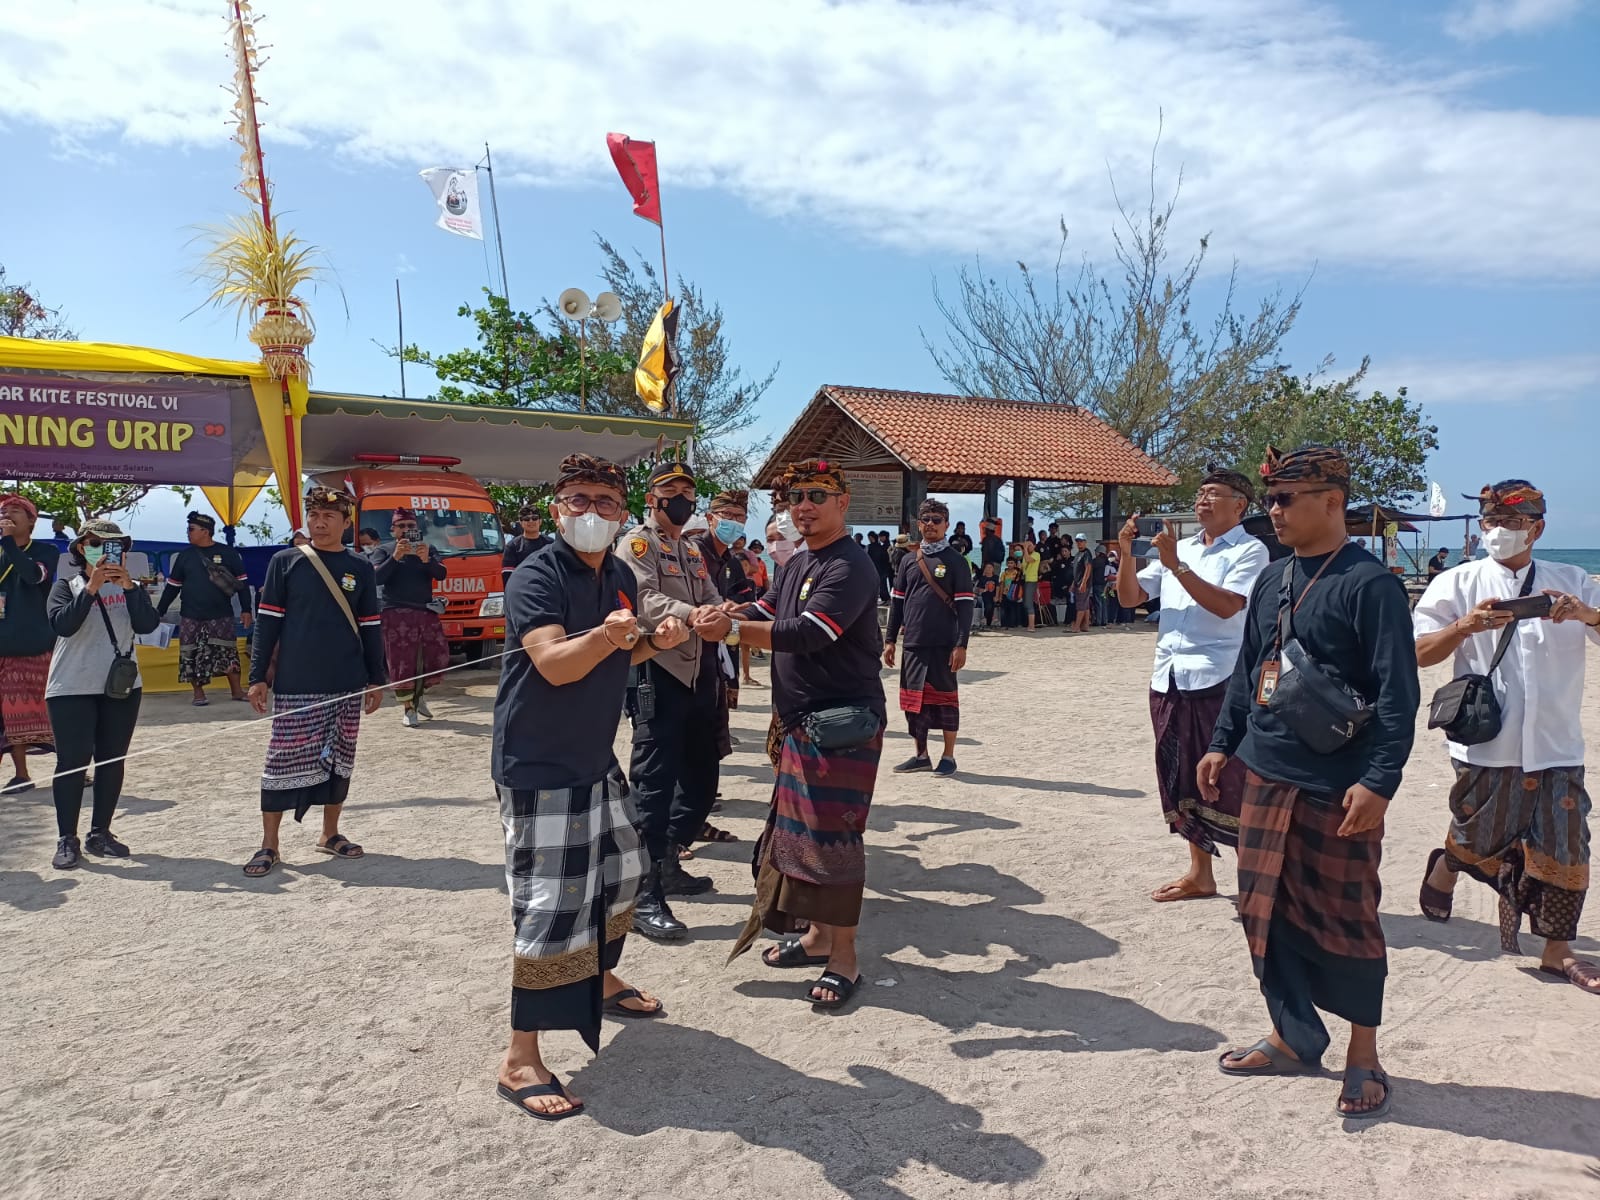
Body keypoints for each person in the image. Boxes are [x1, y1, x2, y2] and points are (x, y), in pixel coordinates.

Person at [1200, 445, 1419, 1120]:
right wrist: (1222, 743)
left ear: (1332, 501)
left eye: (1285, 499)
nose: (1274, 510)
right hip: (1266, 770)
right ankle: (1294, 1035)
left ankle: (1363, 1051)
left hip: (1338, 781)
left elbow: (1397, 693)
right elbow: (1249, 668)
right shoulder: (1273, 578)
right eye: (1270, 499)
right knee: (1261, 909)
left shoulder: (1370, 583)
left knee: (1347, 918)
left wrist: (1380, 780)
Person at [491, 452, 689, 1122]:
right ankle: (521, 1056)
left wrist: (659, 638)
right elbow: (552, 663)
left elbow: (620, 647)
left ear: (623, 513)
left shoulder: (614, 575)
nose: (592, 514)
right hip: (540, 761)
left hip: (594, 756)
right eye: (579, 500)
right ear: (556, 508)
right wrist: (611, 639)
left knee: (623, 873)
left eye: (606, 503)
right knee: (551, 904)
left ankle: (599, 977)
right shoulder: (538, 573)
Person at [1413, 480, 1600, 995]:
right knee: (1478, 835)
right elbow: (1418, 652)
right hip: (1485, 740)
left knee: (1566, 842)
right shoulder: (1458, 582)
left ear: (1537, 529)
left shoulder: (1572, 580)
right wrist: (1465, 628)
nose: (1499, 533)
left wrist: (1585, 614)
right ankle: (1447, 867)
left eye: (1512, 524)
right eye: (1492, 523)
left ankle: (1558, 951)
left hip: (1556, 742)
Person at [729, 460, 885, 1013]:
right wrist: (728, 610)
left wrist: (728, 630)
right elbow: (771, 609)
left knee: (835, 845)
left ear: (844, 502)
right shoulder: (800, 560)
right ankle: (818, 936)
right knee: (801, 839)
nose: (805, 505)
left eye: (818, 494)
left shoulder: (852, 565)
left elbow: (810, 633)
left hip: (841, 726)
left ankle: (845, 956)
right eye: (796, 496)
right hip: (800, 722)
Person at [1116, 470, 1270, 903]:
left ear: (1240, 504)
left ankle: (1252, 881)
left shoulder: (1249, 550)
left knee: (1231, 777)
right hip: (1168, 675)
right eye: (1200, 493)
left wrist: (1176, 567)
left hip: (1218, 676)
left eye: (1213, 494)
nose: (1202, 500)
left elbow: (1226, 607)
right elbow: (1129, 599)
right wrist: (1127, 553)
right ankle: (1200, 871)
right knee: (1179, 773)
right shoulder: (1179, 547)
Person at [616, 461, 735, 940]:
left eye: (688, 490)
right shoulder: (637, 544)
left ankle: (668, 860)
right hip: (658, 670)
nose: (683, 498)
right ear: (654, 498)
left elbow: (710, 591)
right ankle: (644, 896)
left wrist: (719, 608)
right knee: (654, 786)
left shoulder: (689, 547)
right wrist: (695, 611)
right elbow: (642, 599)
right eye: (672, 490)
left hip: (700, 671)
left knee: (704, 778)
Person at [243, 487, 387, 877]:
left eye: (328, 516)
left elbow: (371, 626)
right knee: (280, 760)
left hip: (346, 680)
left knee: (340, 758)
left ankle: (330, 834)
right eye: (313, 515)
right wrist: (258, 677)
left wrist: (377, 679)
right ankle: (269, 844)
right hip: (296, 680)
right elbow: (267, 622)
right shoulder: (285, 562)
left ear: (346, 522)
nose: (319, 523)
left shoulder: (359, 568)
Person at [44, 519, 159, 868]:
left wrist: (129, 588)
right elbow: (63, 624)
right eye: (95, 543)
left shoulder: (132, 588)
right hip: (71, 687)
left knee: (111, 760)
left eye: (113, 545)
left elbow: (148, 626)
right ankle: (67, 838)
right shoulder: (66, 585)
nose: (104, 551)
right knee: (72, 763)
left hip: (120, 687)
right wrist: (91, 589)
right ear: (81, 548)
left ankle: (101, 832)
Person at [885, 498, 973, 777]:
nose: (931, 525)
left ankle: (949, 756)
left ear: (947, 525)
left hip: (944, 644)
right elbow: (897, 603)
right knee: (914, 703)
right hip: (913, 643)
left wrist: (961, 644)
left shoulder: (956, 562)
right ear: (918, 525)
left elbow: (965, 606)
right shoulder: (908, 561)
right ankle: (921, 754)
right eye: (927, 520)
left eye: (937, 520)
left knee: (946, 701)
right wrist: (890, 641)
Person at [154, 511, 253, 707]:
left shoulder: (228, 553)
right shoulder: (185, 556)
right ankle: (198, 693)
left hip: (221, 613)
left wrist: (246, 609)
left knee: (227, 651)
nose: (188, 533)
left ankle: (236, 690)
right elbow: (173, 586)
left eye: (191, 529)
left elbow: (242, 584)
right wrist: (159, 611)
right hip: (191, 614)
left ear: (205, 532)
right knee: (191, 653)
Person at [0, 494, 60, 794]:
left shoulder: (46, 551)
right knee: (10, 712)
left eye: (15, 511)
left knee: (54, 713)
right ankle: (22, 775)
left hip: (37, 645)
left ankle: (74, 768)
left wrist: (9, 544)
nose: (7, 514)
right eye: (3, 511)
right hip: (4, 646)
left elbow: (33, 576)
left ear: (32, 520)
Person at [373, 509, 450, 728]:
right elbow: (376, 578)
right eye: (402, 526)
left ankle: (418, 696)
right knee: (401, 662)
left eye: (411, 526)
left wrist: (427, 560)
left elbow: (442, 574)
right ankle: (408, 708)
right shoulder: (384, 550)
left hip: (425, 611)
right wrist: (396, 558)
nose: (407, 530)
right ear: (393, 530)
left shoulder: (427, 548)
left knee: (436, 657)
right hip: (395, 612)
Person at [502, 503, 554, 584]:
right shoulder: (512, 546)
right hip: (522, 592)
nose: (531, 521)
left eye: (534, 518)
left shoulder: (551, 544)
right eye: (526, 519)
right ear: (521, 522)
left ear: (540, 521)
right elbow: (507, 577)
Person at [1072, 535, 1094, 632]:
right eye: (1077, 541)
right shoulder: (1077, 554)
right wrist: (1073, 583)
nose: (1079, 543)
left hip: (1083, 583)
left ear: (1085, 542)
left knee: (1080, 605)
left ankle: (1077, 626)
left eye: (1081, 541)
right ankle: (1085, 625)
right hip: (1078, 582)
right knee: (1085, 605)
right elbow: (1077, 571)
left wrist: (1084, 582)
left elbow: (1088, 568)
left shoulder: (1086, 554)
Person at [1021, 540, 1042, 631]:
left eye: (1030, 545)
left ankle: (1032, 625)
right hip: (1026, 580)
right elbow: (1023, 566)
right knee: (1026, 602)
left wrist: (1025, 548)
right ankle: (1029, 624)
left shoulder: (1036, 554)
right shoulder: (1025, 555)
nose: (1028, 547)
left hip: (1032, 580)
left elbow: (1028, 559)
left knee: (1029, 603)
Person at [867, 530, 893, 605]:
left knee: (883, 584)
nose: (879, 538)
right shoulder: (886, 545)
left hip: (884, 568)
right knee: (886, 583)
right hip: (887, 568)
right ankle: (888, 599)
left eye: (880, 536)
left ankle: (886, 599)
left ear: (884, 537)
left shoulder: (885, 546)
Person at [978, 562, 999, 628]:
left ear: (993, 569)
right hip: (985, 596)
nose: (989, 569)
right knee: (988, 606)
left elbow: (998, 587)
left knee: (992, 609)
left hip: (993, 595)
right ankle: (985, 618)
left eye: (990, 567)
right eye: (987, 567)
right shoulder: (982, 578)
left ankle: (988, 623)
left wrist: (997, 596)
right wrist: (985, 589)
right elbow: (980, 589)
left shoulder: (995, 577)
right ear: (985, 569)